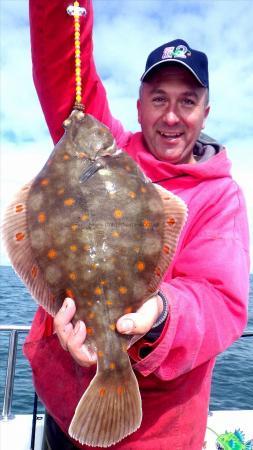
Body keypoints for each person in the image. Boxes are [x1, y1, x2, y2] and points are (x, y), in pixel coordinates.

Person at [24, 1, 250, 449]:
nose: (171, 116)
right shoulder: (99, 149)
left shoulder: (220, 196)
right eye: (159, 98)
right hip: (63, 404)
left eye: (188, 101)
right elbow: (63, 68)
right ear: (139, 105)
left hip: (156, 433)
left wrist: (161, 314)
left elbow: (219, 299)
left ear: (206, 113)